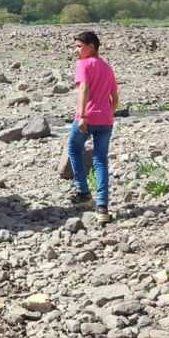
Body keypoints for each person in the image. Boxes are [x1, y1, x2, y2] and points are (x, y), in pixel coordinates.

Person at [67, 29, 118, 222]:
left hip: (87, 118)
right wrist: (108, 113)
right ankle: (102, 208)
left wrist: (82, 116)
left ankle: (83, 192)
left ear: (91, 46)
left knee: (73, 148)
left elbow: (84, 88)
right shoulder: (106, 67)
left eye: (79, 46)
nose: (77, 51)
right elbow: (115, 97)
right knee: (100, 160)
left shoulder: (83, 64)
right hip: (106, 119)